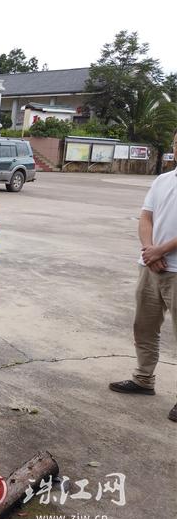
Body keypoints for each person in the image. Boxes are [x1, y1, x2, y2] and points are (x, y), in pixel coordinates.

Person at [109, 138, 177, 422]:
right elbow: (145, 217)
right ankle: (143, 379)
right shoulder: (163, 180)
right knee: (144, 327)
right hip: (150, 266)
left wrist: (161, 250)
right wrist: (150, 250)